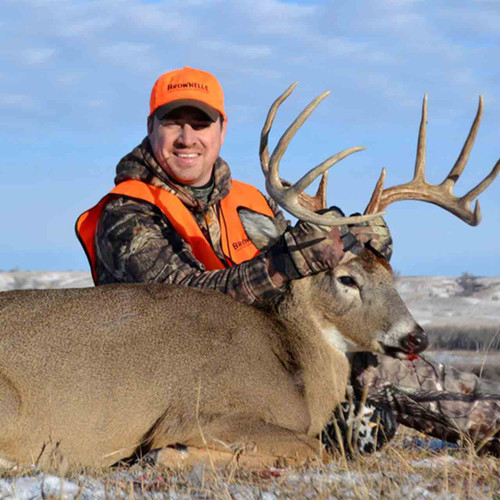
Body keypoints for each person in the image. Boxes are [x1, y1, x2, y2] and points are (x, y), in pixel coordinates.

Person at [76, 67, 499, 457]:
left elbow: (311, 269)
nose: (188, 137)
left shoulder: (253, 200)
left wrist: (359, 242)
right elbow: (181, 305)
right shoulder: (128, 212)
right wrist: (282, 265)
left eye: (201, 123)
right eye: (173, 122)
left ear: (222, 130)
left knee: (382, 366)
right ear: (151, 127)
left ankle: (491, 425)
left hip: (263, 358)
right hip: (183, 376)